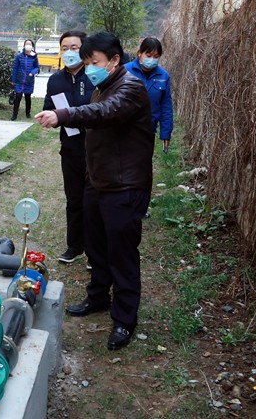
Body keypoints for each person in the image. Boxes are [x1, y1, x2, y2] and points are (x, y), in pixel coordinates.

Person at [35, 31, 153, 351]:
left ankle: (125, 318)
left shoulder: (130, 87)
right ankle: (98, 297)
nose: (89, 68)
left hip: (124, 186)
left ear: (114, 60)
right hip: (98, 182)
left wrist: (62, 115)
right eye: (86, 63)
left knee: (122, 255)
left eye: (94, 62)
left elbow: (103, 113)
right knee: (97, 249)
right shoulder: (103, 86)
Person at [43, 30, 96, 265]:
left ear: (84, 49)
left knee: (93, 202)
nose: (69, 52)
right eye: (64, 48)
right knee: (74, 200)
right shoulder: (55, 80)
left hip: (95, 149)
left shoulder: (94, 76)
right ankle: (74, 246)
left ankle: (94, 252)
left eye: (74, 48)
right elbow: (49, 107)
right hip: (70, 149)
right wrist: (50, 118)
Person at [124, 37, 173, 152]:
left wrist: (166, 133)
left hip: (148, 130)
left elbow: (166, 105)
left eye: (156, 57)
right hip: (125, 129)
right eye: (149, 55)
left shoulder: (163, 76)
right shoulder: (125, 71)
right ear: (139, 53)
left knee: (144, 161)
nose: (152, 59)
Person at [10, 39, 40, 120]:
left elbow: (37, 67)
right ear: (24, 45)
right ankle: (14, 114)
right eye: (27, 44)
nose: (28, 45)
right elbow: (15, 68)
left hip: (29, 80)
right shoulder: (19, 56)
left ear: (32, 46)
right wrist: (13, 80)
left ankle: (28, 113)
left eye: (30, 44)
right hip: (19, 80)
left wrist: (32, 72)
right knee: (18, 97)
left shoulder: (34, 56)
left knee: (27, 97)